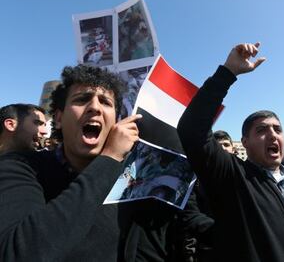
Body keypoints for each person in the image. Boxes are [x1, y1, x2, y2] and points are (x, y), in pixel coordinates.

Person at [0, 64, 175, 261]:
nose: (95, 107)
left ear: (116, 121)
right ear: (58, 119)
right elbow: (19, 254)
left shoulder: (132, 181)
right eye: (82, 99)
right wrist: (109, 158)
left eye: (105, 102)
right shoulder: (20, 167)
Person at [177, 43, 284, 262]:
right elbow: (192, 130)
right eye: (262, 130)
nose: (273, 135)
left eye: (277, 129)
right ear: (245, 142)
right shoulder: (233, 176)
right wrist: (228, 72)